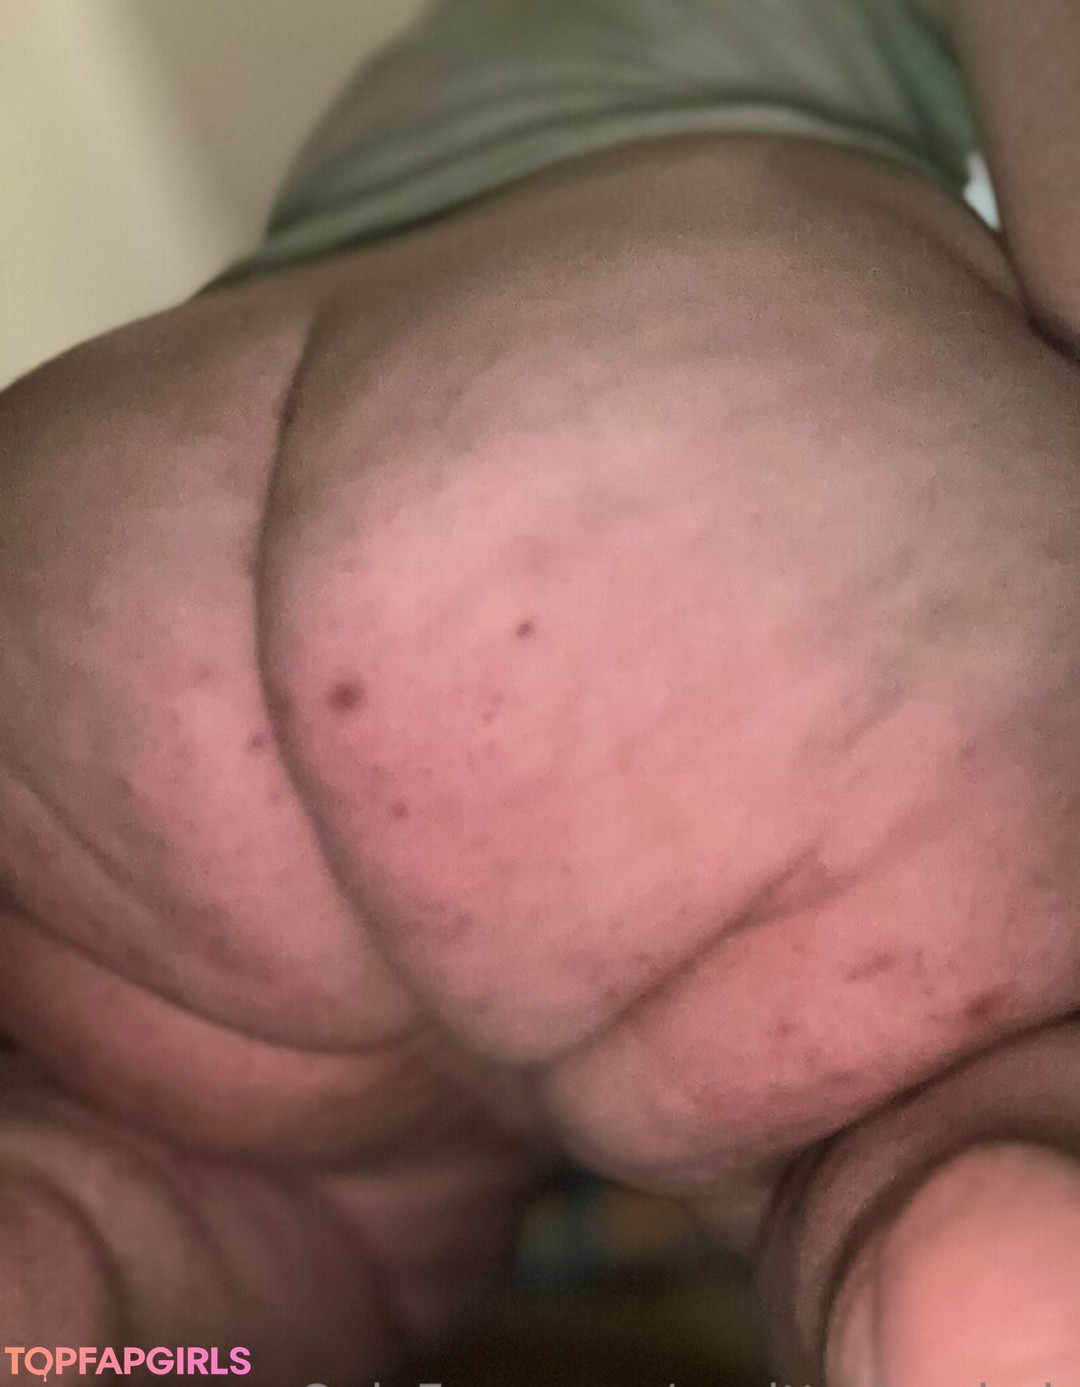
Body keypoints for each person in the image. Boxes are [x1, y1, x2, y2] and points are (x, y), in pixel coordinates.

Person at [2, 0, 1080, 1381]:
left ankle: (67, 1293)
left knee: (209, 1198)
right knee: (928, 1117)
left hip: (98, 595)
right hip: (639, 514)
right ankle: (950, 1246)